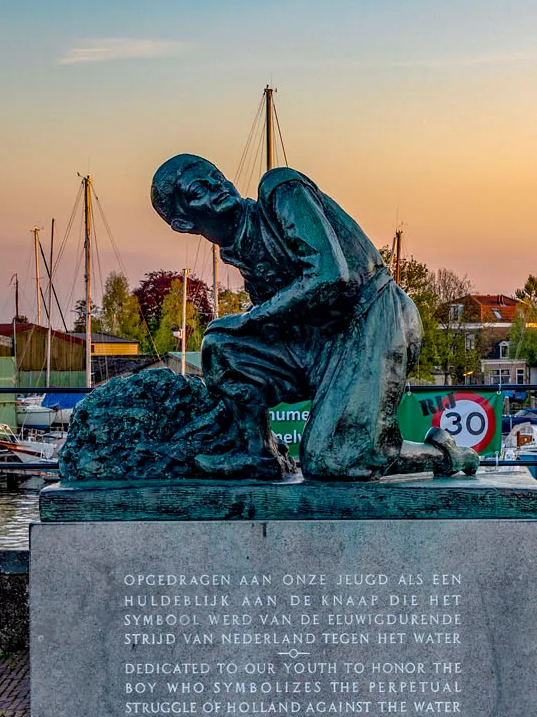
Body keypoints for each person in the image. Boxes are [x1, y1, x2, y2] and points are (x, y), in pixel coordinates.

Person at [151, 154, 476, 481]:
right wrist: (242, 333)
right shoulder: (238, 248)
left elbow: (331, 276)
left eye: (217, 176)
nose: (217, 187)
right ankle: (257, 454)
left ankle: (445, 454)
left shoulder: (281, 189)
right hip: (317, 341)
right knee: (220, 345)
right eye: (199, 190)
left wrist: (250, 320)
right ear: (184, 223)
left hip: (373, 318)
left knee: (333, 461)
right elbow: (279, 318)